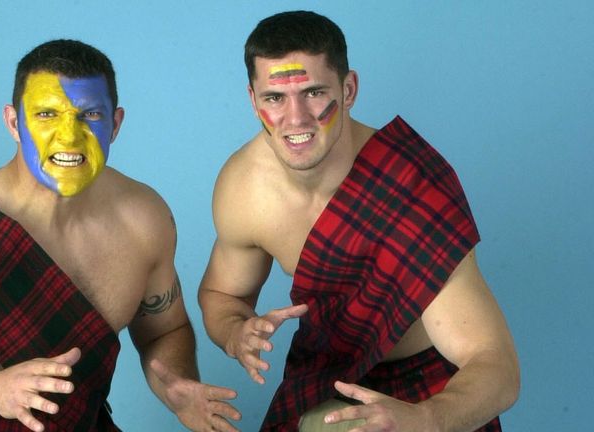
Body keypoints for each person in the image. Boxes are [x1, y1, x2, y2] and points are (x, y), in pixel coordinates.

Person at [0, 39, 241, 432]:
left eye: (89, 115)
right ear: (14, 123)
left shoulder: (144, 218)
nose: (68, 137)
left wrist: (176, 386)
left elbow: (164, 330)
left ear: (115, 124)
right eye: (47, 114)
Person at [198, 11, 519, 432]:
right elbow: (221, 294)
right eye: (275, 98)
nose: (295, 119)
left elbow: (495, 365)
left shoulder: (412, 186)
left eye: (313, 92)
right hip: (327, 378)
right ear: (253, 99)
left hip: (431, 388)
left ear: (348, 90)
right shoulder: (243, 189)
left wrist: (427, 418)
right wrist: (236, 333)